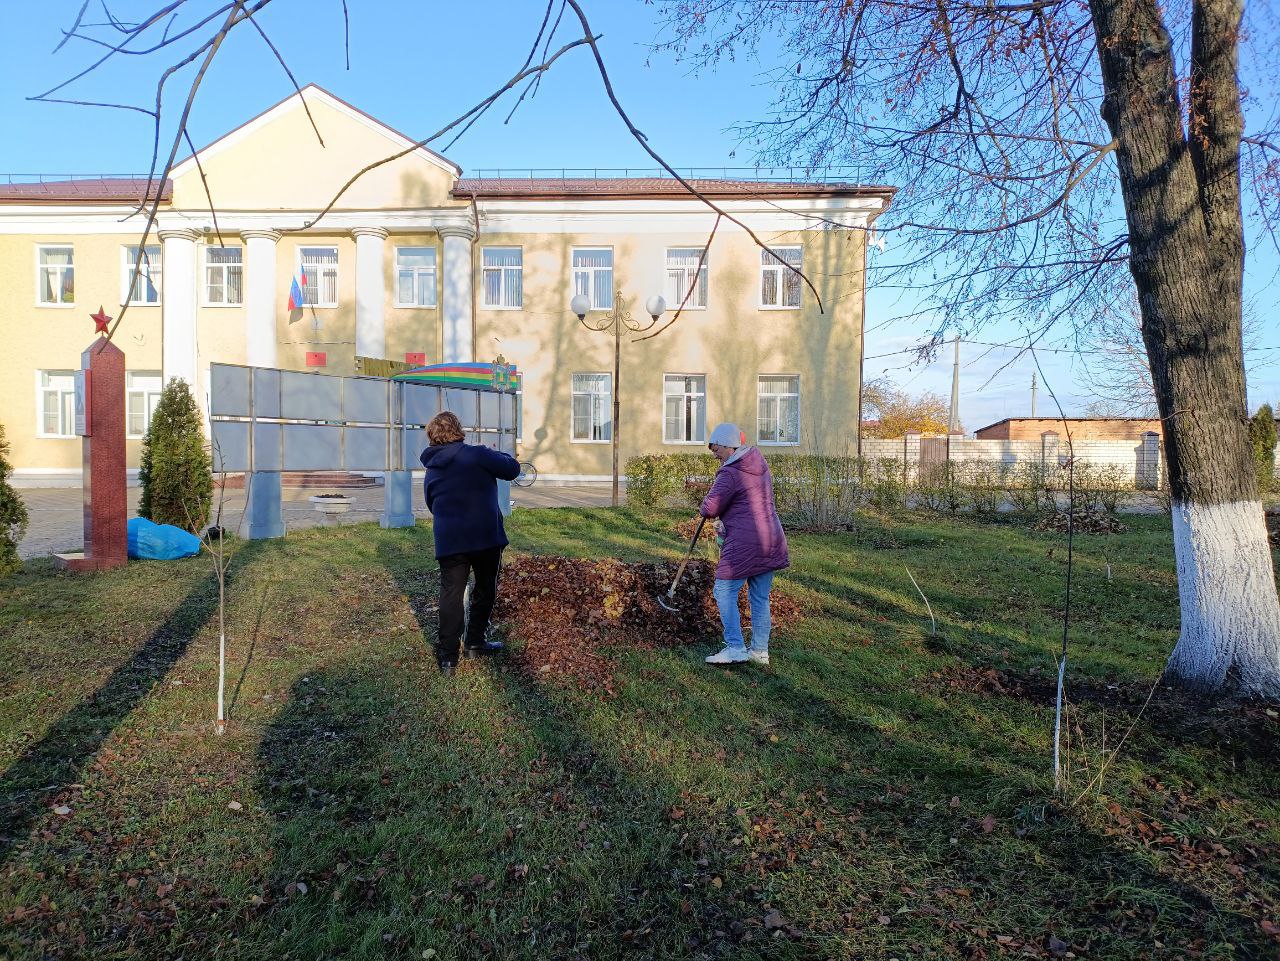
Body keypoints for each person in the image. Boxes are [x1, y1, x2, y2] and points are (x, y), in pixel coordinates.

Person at [419, 411, 521, 675]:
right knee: (485, 588)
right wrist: (498, 454)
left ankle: (448, 659)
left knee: (451, 594)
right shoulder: (477, 454)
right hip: (485, 535)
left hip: (450, 538)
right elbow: (512, 470)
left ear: (432, 435)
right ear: (458, 430)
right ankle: (475, 641)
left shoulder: (432, 468)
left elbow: (432, 502)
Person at [699, 423, 789, 665]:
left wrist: (708, 499)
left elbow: (709, 508)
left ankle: (736, 647)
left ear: (729, 446)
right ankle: (759, 652)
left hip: (745, 543)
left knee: (724, 590)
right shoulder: (759, 466)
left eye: (716, 448)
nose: (714, 454)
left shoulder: (730, 472)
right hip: (770, 537)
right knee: (760, 597)